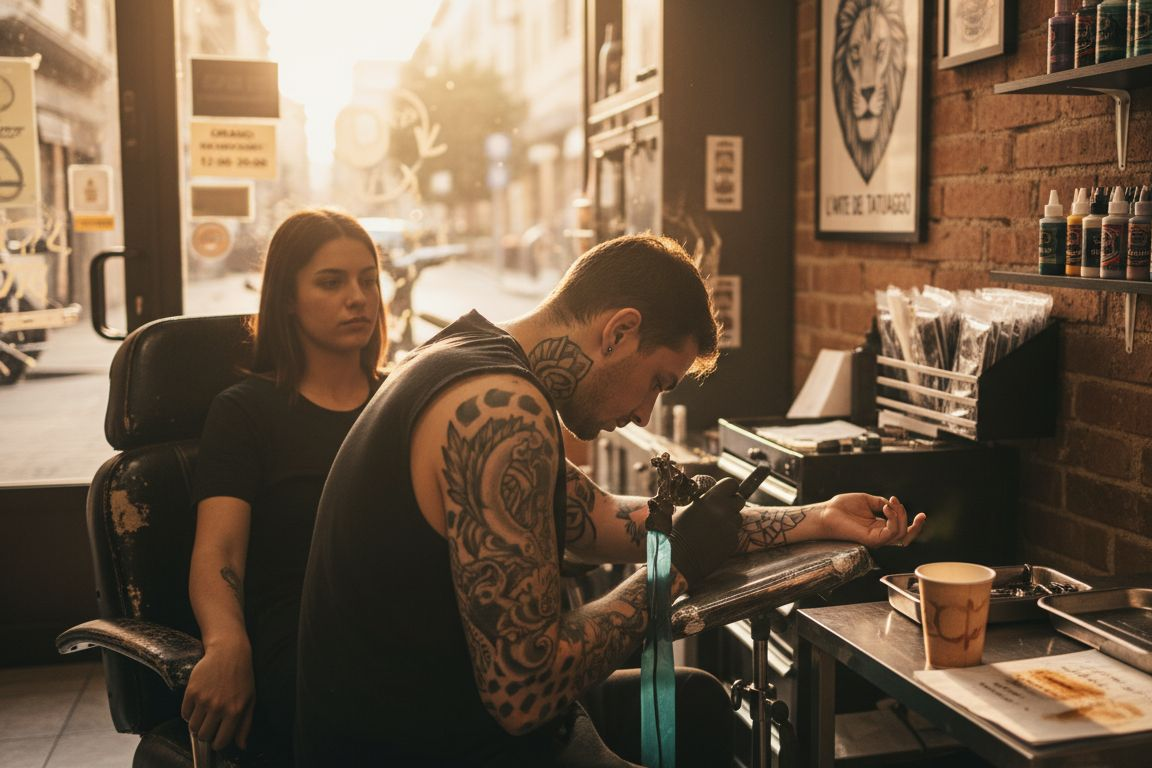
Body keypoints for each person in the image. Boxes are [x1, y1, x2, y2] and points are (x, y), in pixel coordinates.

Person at [295, 233, 925, 766]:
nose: (644, 412)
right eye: (656, 382)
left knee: (696, 703)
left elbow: (598, 518)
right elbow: (525, 693)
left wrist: (815, 518)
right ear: (619, 332)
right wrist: (673, 568)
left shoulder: (467, 357)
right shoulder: (500, 411)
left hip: (440, 714)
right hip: (412, 742)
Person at [182, 209, 388, 759]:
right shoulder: (245, 412)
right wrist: (226, 642)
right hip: (304, 638)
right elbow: (219, 549)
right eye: (331, 282)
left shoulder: (403, 401)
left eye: (368, 280)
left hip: (401, 618)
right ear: (288, 299)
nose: (358, 298)